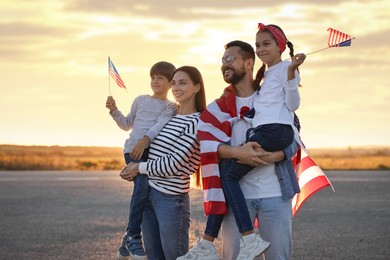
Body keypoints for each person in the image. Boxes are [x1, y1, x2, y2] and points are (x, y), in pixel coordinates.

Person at [180, 39, 301, 260]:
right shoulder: (217, 108)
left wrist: (276, 155)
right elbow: (206, 146)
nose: (224, 64)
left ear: (248, 63)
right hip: (236, 199)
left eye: (230, 59)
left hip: (275, 194)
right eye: (222, 61)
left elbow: (294, 138)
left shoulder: (272, 97)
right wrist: (237, 153)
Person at [119, 66, 207, 260]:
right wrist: (132, 168)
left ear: (197, 87)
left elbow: (173, 164)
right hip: (148, 194)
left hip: (171, 200)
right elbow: (147, 147)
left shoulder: (196, 122)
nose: (176, 87)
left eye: (182, 83)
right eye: (174, 82)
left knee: (174, 256)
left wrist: (138, 168)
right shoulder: (170, 116)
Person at [106, 61, 177, 260]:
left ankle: (126, 241)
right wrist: (114, 111)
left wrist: (145, 142)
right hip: (132, 152)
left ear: (171, 82)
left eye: (160, 78)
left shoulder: (171, 106)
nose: (155, 81)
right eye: (153, 77)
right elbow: (126, 124)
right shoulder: (140, 100)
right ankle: (134, 236)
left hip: (149, 154)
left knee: (145, 195)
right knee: (142, 189)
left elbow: (159, 126)